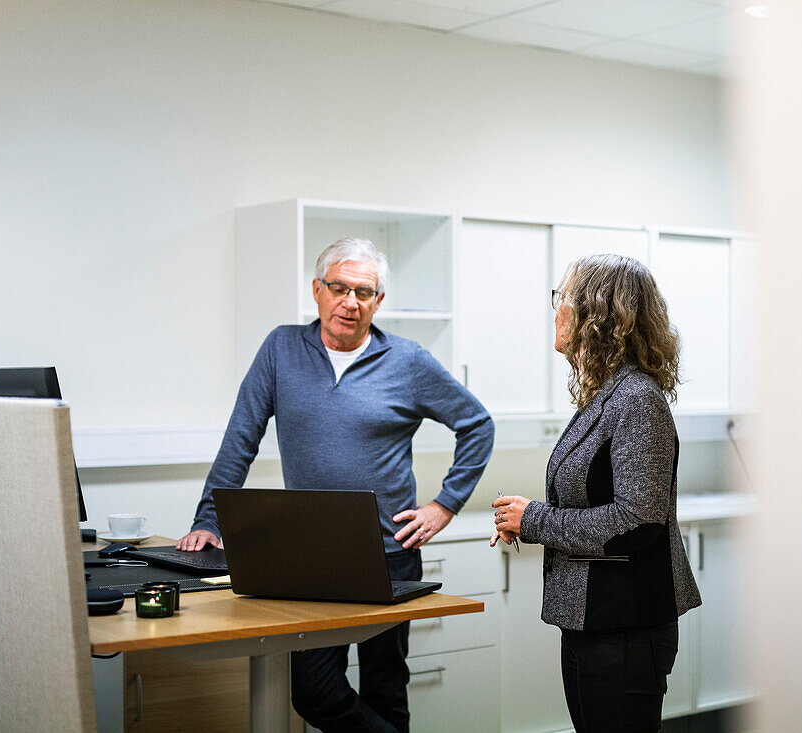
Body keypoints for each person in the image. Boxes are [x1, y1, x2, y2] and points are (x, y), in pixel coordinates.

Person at [176, 237, 494, 733]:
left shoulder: (408, 362)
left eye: (363, 292)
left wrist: (444, 505)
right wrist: (208, 520)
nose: (350, 302)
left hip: (390, 553)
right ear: (318, 290)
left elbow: (477, 425)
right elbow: (241, 436)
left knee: (386, 687)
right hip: (313, 558)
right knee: (314, 690)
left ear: (378, 302)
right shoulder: (282, 348)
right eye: (339, 288)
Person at [491, 253, 701, 733]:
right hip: (595, 622)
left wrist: (535, 519)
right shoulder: (606, 394)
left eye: (561, 297)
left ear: (596, 314)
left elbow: (637, 522)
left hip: (625, 625)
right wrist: (524, 517)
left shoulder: (635, 400)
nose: (555, 309)